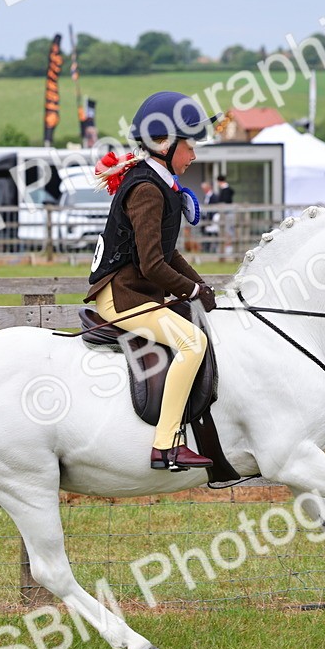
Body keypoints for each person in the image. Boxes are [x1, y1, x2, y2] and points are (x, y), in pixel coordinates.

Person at [85, 91, 219, 471]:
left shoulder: (158, 183)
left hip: (139, 290)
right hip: (124, 297)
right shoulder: (146, 189)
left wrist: (202, 287)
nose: (193, 155)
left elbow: (168, 252)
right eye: (189, 146)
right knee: (193, 344)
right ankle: (166, 445)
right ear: (165, 143)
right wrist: (192, 290)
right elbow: (152, 264)